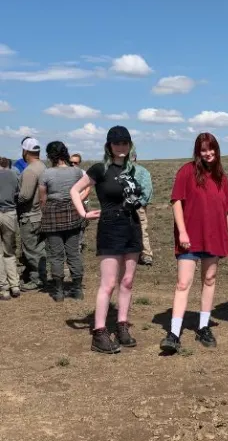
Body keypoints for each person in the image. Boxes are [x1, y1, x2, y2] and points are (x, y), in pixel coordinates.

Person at [160, 133, 228, 353]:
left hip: (215, 235)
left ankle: (204, 327)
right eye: (203, 150)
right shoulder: (186, 171)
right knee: (183, 283)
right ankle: (174, 332)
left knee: (210, 279)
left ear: (217, 150)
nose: (208, 153)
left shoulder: (221, 176)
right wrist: (182, 232)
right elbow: (176, 201)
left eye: (211, 149)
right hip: (190, 236)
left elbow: (226, 212)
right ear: (197, 151)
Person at [70, 126, 144, 354]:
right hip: (110, 227)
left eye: (125, 143)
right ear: (109, 145)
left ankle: (122, 326)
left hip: (132, 226)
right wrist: (82, 213)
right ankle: (99, 333)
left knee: (128, 280)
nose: (121, 147)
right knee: (109, 283)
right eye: (117, 143)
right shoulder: (100, 169)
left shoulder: (133, 170)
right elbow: (75, 190)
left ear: (130, 144)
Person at [40, 142, 85, 302]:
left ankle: (58, 292)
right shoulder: (76, 171)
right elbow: (85, 188)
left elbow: (42, 198)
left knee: (56, 254)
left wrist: (44, 211)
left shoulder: (46, 174)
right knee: (74, 253)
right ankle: (78, 290)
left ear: (50, 155)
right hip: (73, 212)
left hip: (52, 215)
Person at [17, 137, 47, 291]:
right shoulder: (43, 166)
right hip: (41, 214)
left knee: (31, 251)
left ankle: (37, 281)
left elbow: (25, 196)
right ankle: (42, 276)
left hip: (30, 215)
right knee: (40, 249)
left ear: (25, 151)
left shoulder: (30, 170)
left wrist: (12, 198)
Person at [0, 157, 20, 300]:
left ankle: (3, 287)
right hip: (10, 213)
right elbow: (18, 194)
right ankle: (15, 285)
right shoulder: (14, 175)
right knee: (10, 251)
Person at [130, 150, 154, 266]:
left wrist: (140, 203)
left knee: (142, 230)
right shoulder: (118, 170)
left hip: (137, 206)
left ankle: (146, 255)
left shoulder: (142, 171)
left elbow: (147, 189)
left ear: (134, 157)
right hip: (121, 206)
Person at [69, 153, 92, 253]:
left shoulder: (83, 173)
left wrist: (78, 201)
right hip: (70, 203)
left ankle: (78, 247)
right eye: (71, 162)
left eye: (75, 162)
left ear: (79, 163)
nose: (73, 164)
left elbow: (87, 190)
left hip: (82, 202)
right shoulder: (67, 173)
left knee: (81, 226)